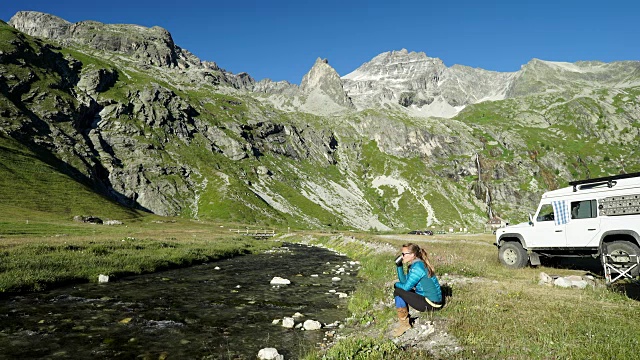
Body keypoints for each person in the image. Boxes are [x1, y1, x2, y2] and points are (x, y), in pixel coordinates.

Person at [392, 242, 443, 337]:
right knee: (401, 289)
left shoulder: (417, 268)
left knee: (398, 291)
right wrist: (399, 267)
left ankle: (404, 324)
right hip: (432, 300)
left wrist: (395, 284)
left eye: (403, 254)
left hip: (431, 303)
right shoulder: (417, 264)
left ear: (412, 255)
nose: (402, 256)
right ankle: (405, 322)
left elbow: (406, 287)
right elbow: (404, 282)